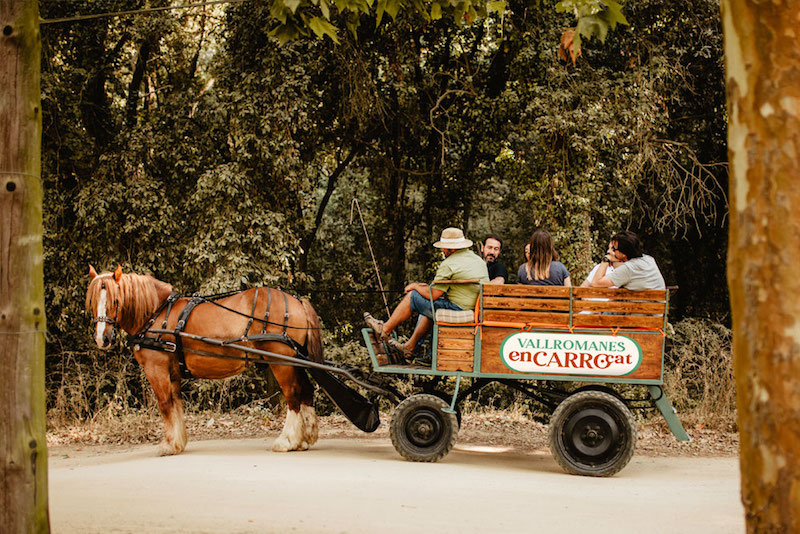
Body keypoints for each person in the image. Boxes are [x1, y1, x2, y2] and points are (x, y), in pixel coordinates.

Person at [364, 227, 489, 360]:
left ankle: (384, 329)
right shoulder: (477, 260)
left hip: (460, 309)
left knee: (413, 297)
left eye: (444, 248)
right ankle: (410, 347)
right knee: (429, 308)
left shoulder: (450, 263)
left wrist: (415, 286)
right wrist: (425, 288)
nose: (442, 251)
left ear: (451, 249)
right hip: (473, 308)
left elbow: (433, 295)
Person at [590, 231, 665, 290]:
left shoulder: (629, 268)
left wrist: (605, 260)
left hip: (643, 309)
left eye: (614, 249)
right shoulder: (649, 259)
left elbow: (596, 283)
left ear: (623, 254)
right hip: (658, 308)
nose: (611, 252)